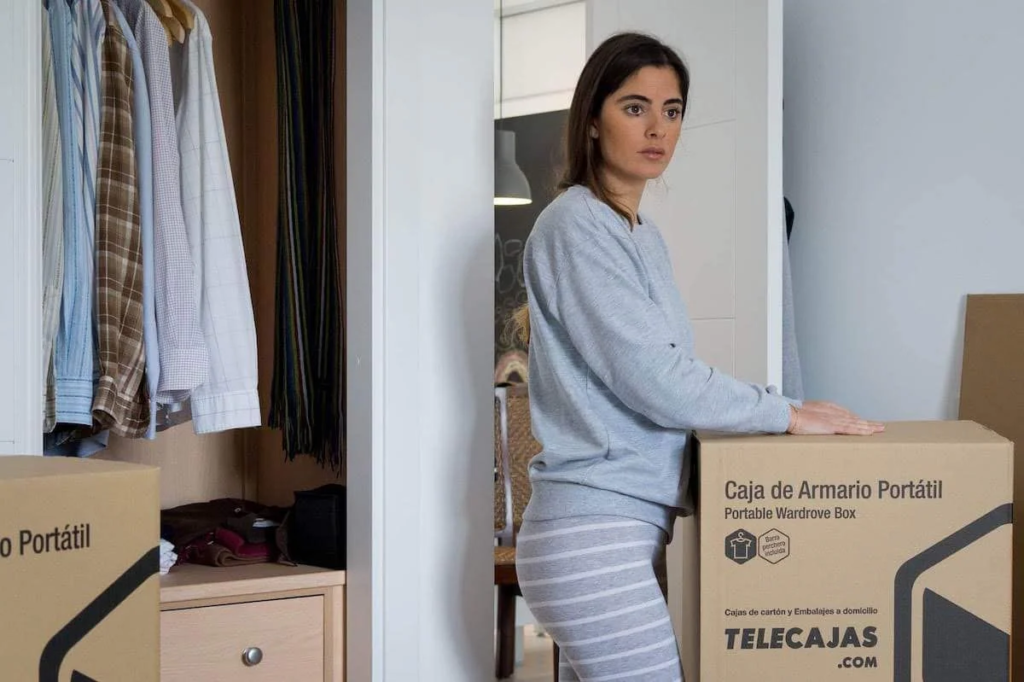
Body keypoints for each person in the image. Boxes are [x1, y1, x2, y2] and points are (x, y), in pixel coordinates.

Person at [513, 32, 884, 681]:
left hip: (627, 528)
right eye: (635, 107)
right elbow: (653, 378)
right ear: (593, 122)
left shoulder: (640, 235)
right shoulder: (575, 225)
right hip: (593, 533)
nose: (658, 127)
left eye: (673, 109)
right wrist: (786, 413)